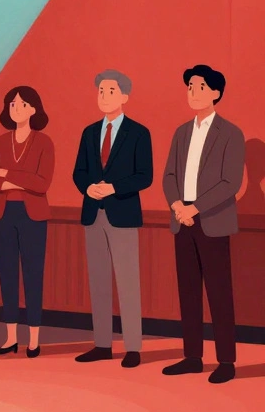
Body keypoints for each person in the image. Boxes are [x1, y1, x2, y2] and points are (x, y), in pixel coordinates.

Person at [161, 65, 244, 384]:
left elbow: (230, 182)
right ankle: (193, 356)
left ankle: (226, 360)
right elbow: (169, 175)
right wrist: (177, 207)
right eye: (190, 86)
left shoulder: (230, 133)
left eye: (199, 86)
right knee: (189, 291)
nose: (192, 92)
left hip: (212, 221)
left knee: (220, 293)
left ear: (216, 93)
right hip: (182, 222)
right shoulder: (181, 132)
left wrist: (194, 207)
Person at [72, 71, 153, 368]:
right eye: (100, 91)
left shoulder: (139, 133)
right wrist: (88, 187)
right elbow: (78, 171)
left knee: (128, 283)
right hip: (93, 214)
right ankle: (102, 344)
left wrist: (115, 187)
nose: (103, 95)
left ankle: (133, 348)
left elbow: (145, 176)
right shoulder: (89, 132)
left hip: (123, 214)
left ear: (124, 96)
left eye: (110, 90)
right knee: (99, 282)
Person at [0, 85, 54, 358]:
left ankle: (34, 339)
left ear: (34, 109)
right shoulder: (1, 142)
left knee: (33, 275)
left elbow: (42, 183)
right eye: (12, 104)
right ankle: (11, 337)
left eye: (22, 104)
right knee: (7, 275)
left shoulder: (44, 142)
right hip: (3, 215)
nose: (16, 108)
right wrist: (17, 178)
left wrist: (8, 175)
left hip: (33, 216)